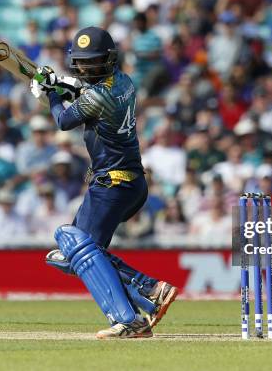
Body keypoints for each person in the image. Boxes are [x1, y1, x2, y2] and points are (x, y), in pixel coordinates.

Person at [29, 26, 178, 339]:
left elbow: (63, 120)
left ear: (107, 60)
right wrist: (59, 84)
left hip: (112, 184)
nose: (87, 69)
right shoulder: (124, 82)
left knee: (72, 242)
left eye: (93, 63)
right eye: (83, 63)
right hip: (131, 183)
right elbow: (85, 92)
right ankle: (147, 302)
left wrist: (50, 94)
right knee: (72, 254)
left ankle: (139, 306)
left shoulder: (97, 95)